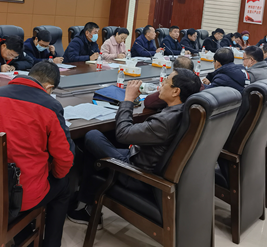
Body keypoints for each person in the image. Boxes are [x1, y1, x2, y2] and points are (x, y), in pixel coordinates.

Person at [68, 69, 201, 224]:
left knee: (92, 136)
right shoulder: (186, 110)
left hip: (137, 173)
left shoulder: (165, 122)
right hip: (147, 161)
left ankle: (84, 205)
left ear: (175, 91)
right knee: (100, 144)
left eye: (166, 81)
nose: (162, 83)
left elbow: (123, 134)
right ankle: (87, 205)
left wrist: (128, 99)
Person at [0, 62, 74, 247]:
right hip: (22, 194)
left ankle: (23, 233)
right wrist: (54, 173)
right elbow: (64, 158)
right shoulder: (50, 106)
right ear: (48, 87)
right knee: (64, 183)